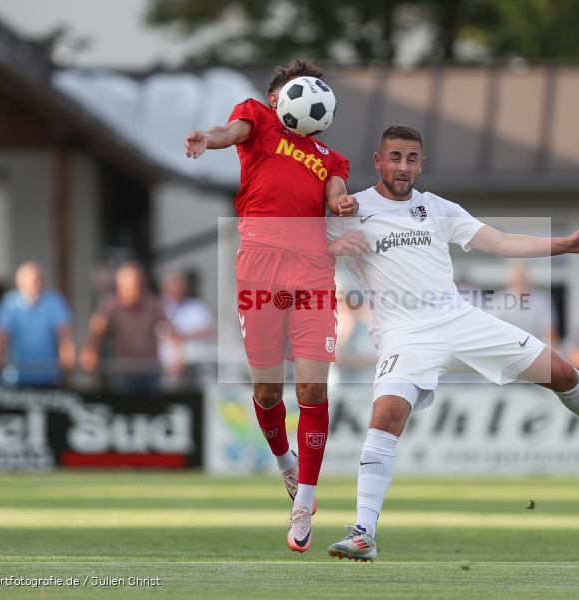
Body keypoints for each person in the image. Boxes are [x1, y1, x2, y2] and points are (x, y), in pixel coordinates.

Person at [325, 126, 579, 562]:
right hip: (404, 335)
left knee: (561, 373)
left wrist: (566, 244)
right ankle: (363, 533)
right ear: (378, 160)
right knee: (386, 417)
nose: (403, 167)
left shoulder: (437, 208)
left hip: (459, 320)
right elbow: (303, 246)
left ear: (422, 163)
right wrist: (335, 244)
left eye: (412, 158)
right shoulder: (353, 208)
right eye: (395, 157)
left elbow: (502, 242)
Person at [183, 59, 358, 552]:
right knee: (265, 391)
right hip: (258, 264)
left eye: (301, 94)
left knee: (311, 385)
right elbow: (228, 131)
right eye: (285, 93)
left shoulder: (329, 157)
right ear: (276, 97)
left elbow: (336, 192)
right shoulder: (256, 120)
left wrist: (343, 206)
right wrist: (208, 140)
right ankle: (285, 464)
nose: (290, 101)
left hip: (312, 271)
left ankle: (304, 498)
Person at [80, 263, 173, 391]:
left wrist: (176, 354)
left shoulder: (152, 305)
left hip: (150, 370)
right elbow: (97, 328)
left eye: (131, 286)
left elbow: (170, 330)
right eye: (123, 287)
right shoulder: (112, 306)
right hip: (124, 372)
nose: (128, 291)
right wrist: (91, 351)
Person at [0, 262, 76, 387]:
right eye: (33, 281)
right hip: (16, 375)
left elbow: (64, 336)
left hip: (48, 375)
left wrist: (68, 355)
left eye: (39, 280)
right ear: (20, 284)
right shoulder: (10, 303)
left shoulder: (55, 302)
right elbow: (2, 336)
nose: (37, 285)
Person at [159, 271, 216, 389]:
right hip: (169, 365)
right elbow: (164, 333)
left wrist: (183, 337)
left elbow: (209, 330)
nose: (177, 292)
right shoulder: (161, 308)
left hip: (197, 364)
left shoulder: (197, 306)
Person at [491, 263, 558, 348]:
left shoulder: (542, 301)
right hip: (506, 349)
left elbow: (550, 335)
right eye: (516, 281)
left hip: (536, 351)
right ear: (509, 282)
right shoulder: (498, 301)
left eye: (522, 280)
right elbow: (493, 332)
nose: (520, 284)